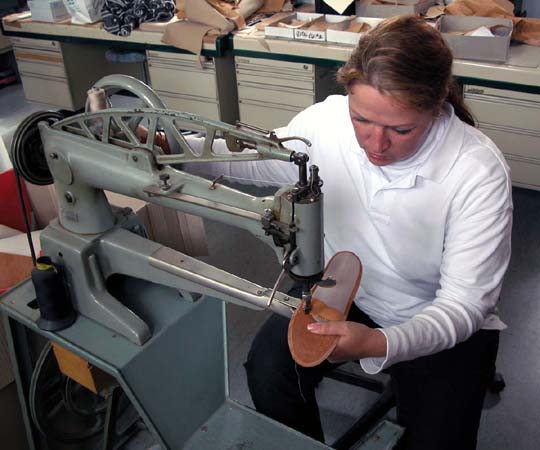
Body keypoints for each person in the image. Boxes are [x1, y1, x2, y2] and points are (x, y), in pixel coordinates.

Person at [186, 15, 513, 450]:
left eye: (401, 129)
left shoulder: (477, 171)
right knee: (268, 371)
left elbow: (463, 305)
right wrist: (170, 147)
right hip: (348, 292)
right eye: (361, 120)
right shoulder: (328, 123)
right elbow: (255, 159)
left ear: (436, 107)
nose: (376, 144)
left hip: (438, 319)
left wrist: (379, 343)